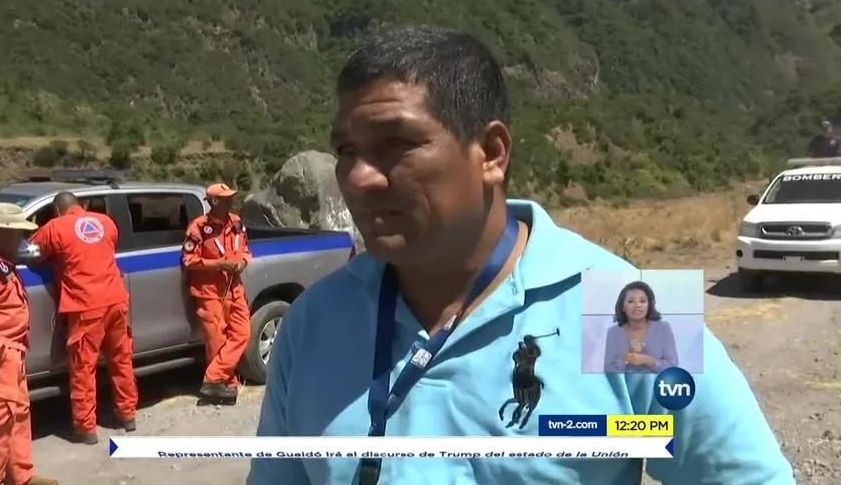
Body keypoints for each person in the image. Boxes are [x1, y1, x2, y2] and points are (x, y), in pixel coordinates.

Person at [249, 25, 794, 484]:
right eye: (347, 151)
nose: (360, 178)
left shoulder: (621, 307)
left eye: (395, 144)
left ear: (490, 153)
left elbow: (747, 474)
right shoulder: (315, 322)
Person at [0, 203, 59, 485]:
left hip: (9, 356)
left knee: (16, 417)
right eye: (16, 233)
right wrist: (0, 349)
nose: (21, 239)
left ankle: (21, 476)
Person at [29, 192, 137, 445]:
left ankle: (86, 429)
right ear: (82, 205)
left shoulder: (55, 227)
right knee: (121, 360)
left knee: (83, 368)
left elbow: (31, 251)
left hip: (86, 305)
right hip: (115, 299)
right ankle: (127, 415)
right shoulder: (106, 222)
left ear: (56, 210)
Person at [181, 183, 252, 405]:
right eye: (225, 198)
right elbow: (189, 260)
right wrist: (218, 264)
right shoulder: (199, 227)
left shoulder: (236, 222)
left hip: (234, 287)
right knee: (216, 341)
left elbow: (245, 250)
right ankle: (226, 385)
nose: (230, 201)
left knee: (242, 333)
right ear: (213, 202)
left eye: (231, 197)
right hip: (209, 292)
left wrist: (242, 261)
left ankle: (212, 378)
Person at [603, 281, 678, 374]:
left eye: (642, 301)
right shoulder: (613, 332)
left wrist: (648, 360)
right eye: (631, 301)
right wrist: (625, 358)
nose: (637, 305)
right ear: (622, 306)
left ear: (649, 305)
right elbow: (608, 370)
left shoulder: (663, 328)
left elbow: (673, 367)